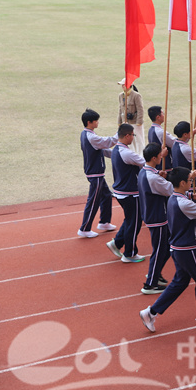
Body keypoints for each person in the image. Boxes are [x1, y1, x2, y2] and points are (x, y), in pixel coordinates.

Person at [140, 168, 196, 332]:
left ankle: (151, 312)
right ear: (182, 183)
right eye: (189, 180)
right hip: (186, 249)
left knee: (180, 282)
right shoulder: (183, 203)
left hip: (178, 249)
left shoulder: (174, 199)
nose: (191, 182)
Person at [104, 124, 146, 263]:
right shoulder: (126, 153)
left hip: (122, 192)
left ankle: (117, 243)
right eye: (133, 135)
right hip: (130, 193)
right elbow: (146, 163)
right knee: (134, 223)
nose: (133, 137)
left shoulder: (117, 149)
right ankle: (130, 253)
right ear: (127, 135)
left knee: (130, 220)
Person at [139, 143, 174, 294]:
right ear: (154, 158)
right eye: (160, 155)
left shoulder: (145, 172)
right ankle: (150, 284)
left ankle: (155, 272)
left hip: (154, 215)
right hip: (157, 217)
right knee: (160, 250)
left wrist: (160, 175)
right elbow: (170, 190)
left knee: (166, 247)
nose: (162, 157)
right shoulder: (153, 178)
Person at [79, 109, 118, 237]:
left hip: (96, 173)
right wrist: (119, 134)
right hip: (95, 173)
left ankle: (104, 222)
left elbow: (103, 150)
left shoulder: (86, 134)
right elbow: (107, 142)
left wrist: (117, 155)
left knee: (106, 196)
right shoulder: (91, 137)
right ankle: (84, 229)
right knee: (93, 201)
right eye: (96, 120)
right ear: (89, 122)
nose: (98, 122)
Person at [118, 79, 145, 154]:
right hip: (126, 122)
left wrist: (139, 122)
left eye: (124, 84)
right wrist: (119, 122)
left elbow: (140, 109)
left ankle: (141, 155)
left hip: (135, 122)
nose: (122, 86)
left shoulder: (136, 95)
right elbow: (120, 109)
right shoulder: (121, 95)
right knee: (129, 141)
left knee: (139, 141)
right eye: (122, 85)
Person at [147, 106, 176, 171]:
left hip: (157, 165)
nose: (164, 115)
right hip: (163, 166)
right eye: (163, 114)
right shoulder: (160, 132)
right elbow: (174, 143)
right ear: (158, 117)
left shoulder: (151, 129)